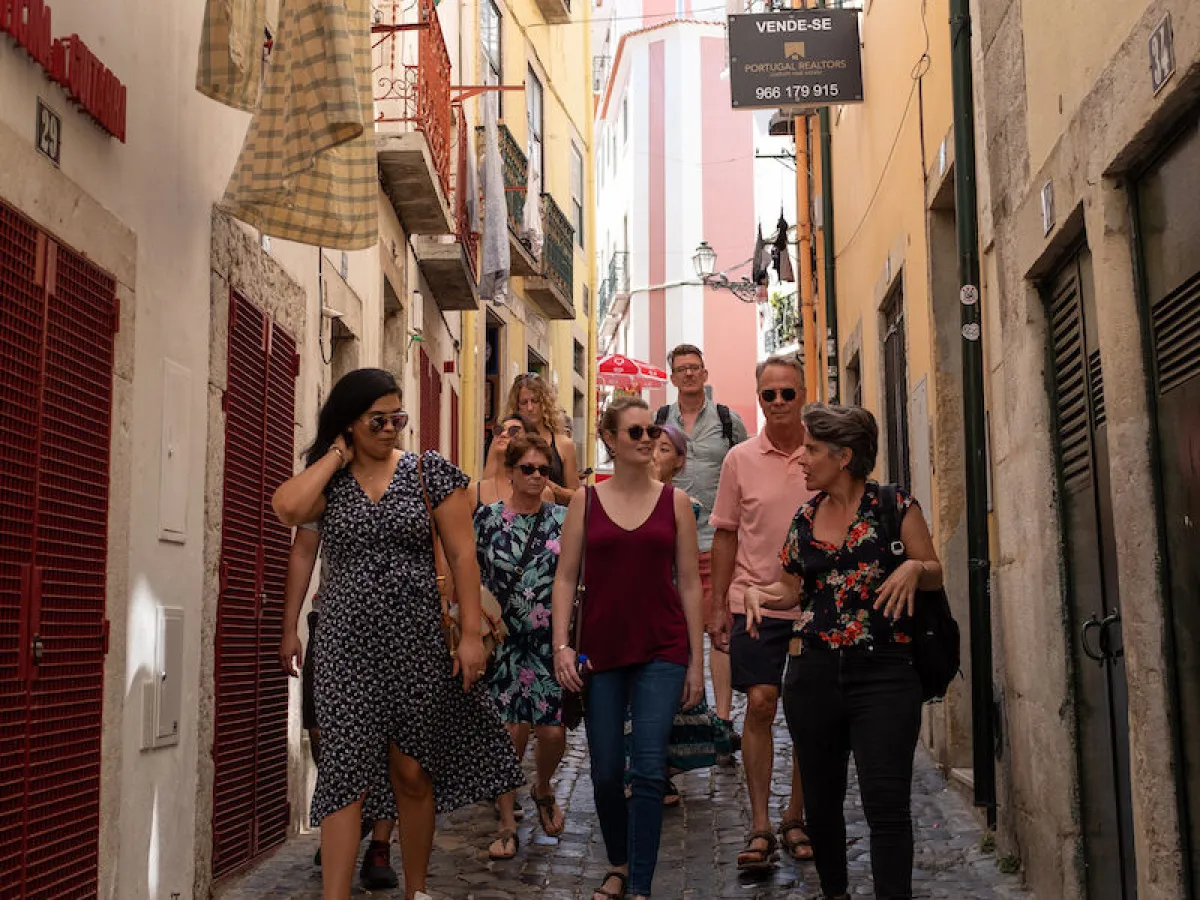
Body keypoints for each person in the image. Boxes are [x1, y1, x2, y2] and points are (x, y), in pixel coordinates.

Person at [271, 367, 524, 900]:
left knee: (411, 770)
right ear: (349, 424)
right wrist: (289, 627)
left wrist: (472, 634)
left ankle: (416, 890)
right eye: (378, 419)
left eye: (398, 417)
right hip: (344, 644)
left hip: (415, 642)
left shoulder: (427, 472)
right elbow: (292, 523)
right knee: (344, 772)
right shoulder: (328, 482)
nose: (391, 428)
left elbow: (462, 556)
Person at [745, 403, 943, 900]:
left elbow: (934, 567)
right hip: (811, 674)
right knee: (822, 805)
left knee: (887, 804)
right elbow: (790, 591)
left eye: (812, 450)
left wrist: (915, 569)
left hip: (885, 674)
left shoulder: (894, 507)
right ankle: (835, 893)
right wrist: (756, 593)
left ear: (844, 455)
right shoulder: (805, 517)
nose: (802, 459)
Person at [552, 397, 705, 900]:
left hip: (662, 648)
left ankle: (637, 883)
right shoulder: (586, 502)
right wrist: (560, 647)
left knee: (646, 769)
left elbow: (688, 584)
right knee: (605, 772)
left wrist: (695, 663)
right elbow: (566, 576)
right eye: (635, 432)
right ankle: (618, 859)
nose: (646, 439)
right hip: (600, 651)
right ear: (611, 440)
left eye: (650, 432)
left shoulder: (676, 503)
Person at [709, 354, 814, 870]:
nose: (776, 403)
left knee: (807, 714)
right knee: (760, 704)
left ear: (802, 394)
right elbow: (725, 533)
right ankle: (759, 824)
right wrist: (717, 605)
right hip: (752, 601)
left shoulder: (824, 456)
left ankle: (796, 815)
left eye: (786, 394)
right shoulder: (739, 460)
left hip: (815, 608)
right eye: (767, 395)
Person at [280, 523, 398, 889]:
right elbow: (303, 549)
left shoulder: (414, 474)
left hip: (398, 628)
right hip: (333, 625)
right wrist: (289, 628)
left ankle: (380, 844)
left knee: (391, 739)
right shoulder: (327, 480)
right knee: (324, 734)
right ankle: (343, 820)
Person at [475, 434, 570, 861]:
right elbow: (466, 571)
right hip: (503, 642)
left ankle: (543, 786)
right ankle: (507, 820)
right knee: (508, 733)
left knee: (551, 731)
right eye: (527, 468)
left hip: (548, 642)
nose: (535, 477)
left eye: (543, 470)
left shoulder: (563, 521)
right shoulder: (488, 519)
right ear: (511, 471)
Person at [653, 344, 748, 755]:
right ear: (672, 377)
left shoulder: (728, 421)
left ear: (705, 374)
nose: (689, 375)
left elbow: (746, 468)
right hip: (668, 545)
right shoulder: (660, 421)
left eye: (695, 368)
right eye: (681, 370)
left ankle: (723, 722)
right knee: (676, 634)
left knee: (719, 631)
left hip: (715, 541)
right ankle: (678, 720)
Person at [504, 372, 580, 504]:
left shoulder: (564, 444)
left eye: (535, 401)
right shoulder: (508, 441)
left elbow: (575, 496)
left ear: (545, 403)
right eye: (524, 402)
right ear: (516, 406)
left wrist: (548, 485)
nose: (530, 408)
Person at [472, 414, 555, 509]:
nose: (503, 434)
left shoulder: (543, 493)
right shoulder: (474, 491)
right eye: (499, 430)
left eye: (514, 431)